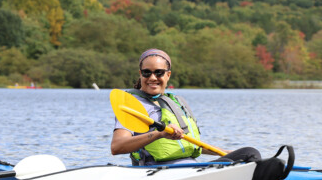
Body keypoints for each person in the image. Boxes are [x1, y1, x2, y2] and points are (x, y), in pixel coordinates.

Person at [111, 48, 260, 166]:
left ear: (168, 75)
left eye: (159, 73)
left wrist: (226, 152)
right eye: (146, 73)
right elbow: (117, 147)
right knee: (243, 156)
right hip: (156, 172)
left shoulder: (176, 102)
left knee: (247, 155)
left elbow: (190, 144)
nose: (152, 78)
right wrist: (159, 134)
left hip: (189, 169)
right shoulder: (132, 105)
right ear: (140, 74)